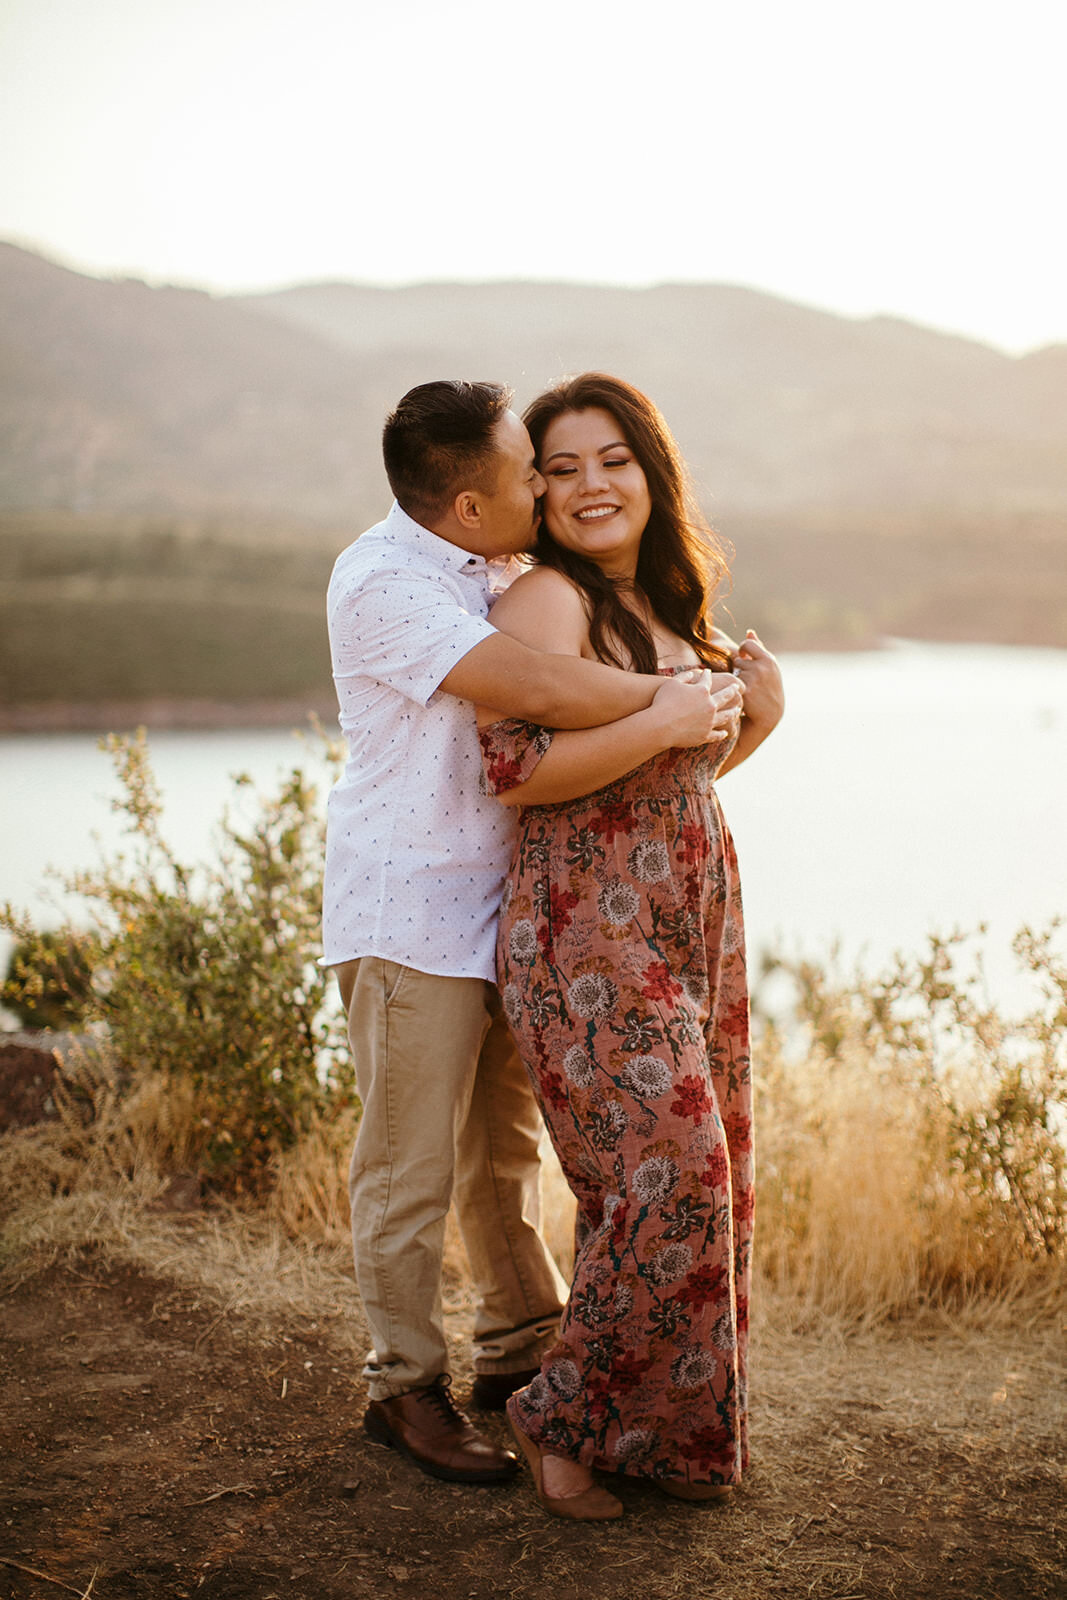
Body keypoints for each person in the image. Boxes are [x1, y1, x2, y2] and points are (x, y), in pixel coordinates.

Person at [322, 379, 743, 1487]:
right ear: (470, 507)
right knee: (408, 1164)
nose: (553, 489)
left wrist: (710, 704)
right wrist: (670, 699)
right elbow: (536, 692)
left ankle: (516, 1350)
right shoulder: (385, 582)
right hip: (410, 910)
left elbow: (640, 784)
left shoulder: (497, 570)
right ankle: (400, 1385)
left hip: (506, 905)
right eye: (534, 474)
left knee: (497, 1154)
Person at [475, 373, 784, 1519]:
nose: (590, 484)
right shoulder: (547, 602)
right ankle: (555, 1413)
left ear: (649, 471)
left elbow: (663, 779)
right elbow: (513, 774)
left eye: (611, 459)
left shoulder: (661, 606)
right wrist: (664, 715)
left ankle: (652, 1434)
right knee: (674, 1175)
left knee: (669, 1183)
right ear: (536, 497)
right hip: (583, 931)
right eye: (560, 469)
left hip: (683, 921)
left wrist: (754, 718)